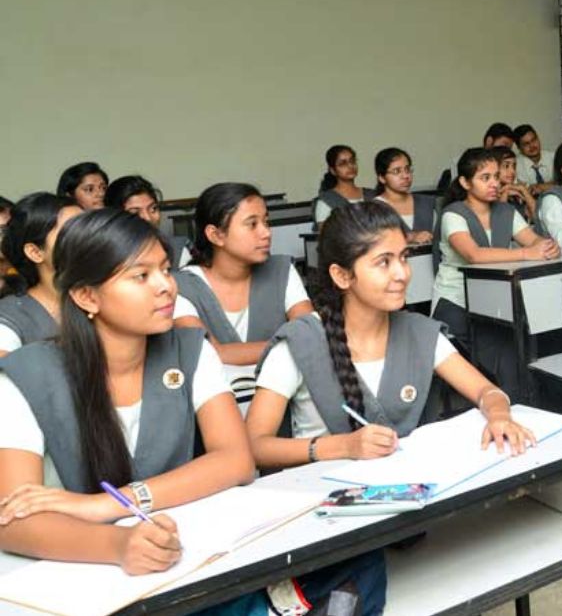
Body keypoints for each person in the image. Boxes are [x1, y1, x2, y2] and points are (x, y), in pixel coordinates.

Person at [0, 209, 383, 614]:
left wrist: (112, 504)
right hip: (84, 571)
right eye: (141, 276)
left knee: (362, 559)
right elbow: (14, 520)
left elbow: (236, 460)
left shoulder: (190, 350)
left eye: (165, 270)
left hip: (185, 550)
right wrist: (118, 544)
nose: (166, 286)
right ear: (87, 296)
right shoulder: (25, 376)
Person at [246, 201, 535, 468]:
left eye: (403, 258)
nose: (402, 273)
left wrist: (499, 415)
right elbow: (255, 446)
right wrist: (343, 446)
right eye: (384, 262)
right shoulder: (300, 342)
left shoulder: (419, 332)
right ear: (342, 276)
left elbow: (487, 391)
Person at [432, 148, 560, 400]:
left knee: (532, 343)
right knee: (506, 354)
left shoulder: (505, 211)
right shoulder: (453, 214)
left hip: (498, 301)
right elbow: (474, 255)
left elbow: (533, 240)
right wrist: (527, 253)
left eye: (496, 177)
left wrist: (547, 247)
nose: (494, 183)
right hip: (456, 301)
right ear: (465, 183)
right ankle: (519, 403)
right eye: (485, 178)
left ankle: (529, 401)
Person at [173, 183, 314, 393]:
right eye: (252, 224)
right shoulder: (180, 287)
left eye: (266, 222)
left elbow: (311, 337)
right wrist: (288, 345)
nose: (266, 232)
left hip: (286, 399)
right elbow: (210, 353)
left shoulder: (282, 271)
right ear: (216, 235)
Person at [0, 194, 82, 355]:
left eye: (91, 228)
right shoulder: (10, 319)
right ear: (35, 252)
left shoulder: (109, 296)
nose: (91, 239)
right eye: (72, 233)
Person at [104, 175, 192, 266]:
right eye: (135, 213)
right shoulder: (104, 258)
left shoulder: (177, 251)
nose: (148, 218)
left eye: (153, 209)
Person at [373, 147, 436, 244]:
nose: (406, 176)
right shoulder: (373, 209)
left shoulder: (428, 202)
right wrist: (408, 238)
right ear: (382, 178)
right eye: (396, 171)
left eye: (407, 169)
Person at [314, 144, 374, 227]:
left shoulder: (371, 195)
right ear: (333, 170)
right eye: (342, 163)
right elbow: (325, 233)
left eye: (352, 161)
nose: (350, 166)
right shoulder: (327, 201)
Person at [495, 146, 537, 221]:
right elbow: (501, 223)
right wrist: (505, 193)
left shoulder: (515, 193)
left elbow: (537, 217)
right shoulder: (490, 195)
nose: (512, 171)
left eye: (514, 166)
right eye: (506, 166)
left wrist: (524, 191)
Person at [513, 124, 553, 192]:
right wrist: (551, 184)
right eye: (526, 144)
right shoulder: (514, 165)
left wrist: (538, 187)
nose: (532, 146)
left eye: (534, 140)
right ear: (519, 147)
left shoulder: (553, 157)